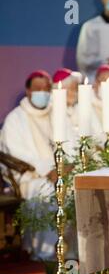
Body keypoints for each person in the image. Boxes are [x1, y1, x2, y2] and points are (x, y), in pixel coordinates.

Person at [0, 71, 59, 261]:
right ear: (28, 91)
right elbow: (16, 154)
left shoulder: (57, 114)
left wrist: (65, 166)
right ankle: (46, 251)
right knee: (48, 193)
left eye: (46, 89)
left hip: (58, 173)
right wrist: (47, 170)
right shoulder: (15, 119)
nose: (42, 93)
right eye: (37, 89)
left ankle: (71, 250)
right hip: (31, 179)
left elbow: (71, 142)